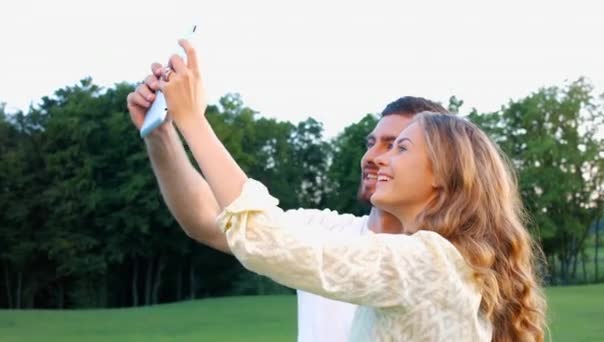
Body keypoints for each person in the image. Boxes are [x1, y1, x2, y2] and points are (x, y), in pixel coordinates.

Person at [131, 40, 547, 341]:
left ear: (442, 172)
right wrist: (162, 130)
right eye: (373, 143)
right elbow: (210, 219)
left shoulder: (430, 262)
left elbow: (266, 238)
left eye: (400, 146)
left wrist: (194, 120)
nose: (375, 157)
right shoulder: (343, 234)